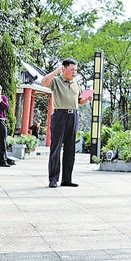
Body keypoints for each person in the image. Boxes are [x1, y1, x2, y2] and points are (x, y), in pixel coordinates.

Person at [41, 59, 90, 188]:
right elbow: (44, 81)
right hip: (59, 115)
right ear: (64, 68)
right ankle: (53, 179)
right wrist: (57, 71)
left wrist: (87, 99)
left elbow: (80, 101)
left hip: (73, 115)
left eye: (76, 70)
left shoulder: (76, 83)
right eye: (72, 69)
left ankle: (66, 179)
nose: (74, 72)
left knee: (70, 149)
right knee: (56, 148)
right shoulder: (56, 81)